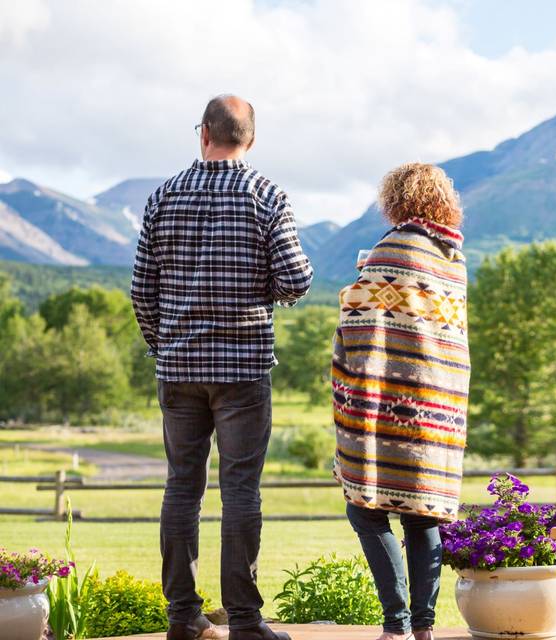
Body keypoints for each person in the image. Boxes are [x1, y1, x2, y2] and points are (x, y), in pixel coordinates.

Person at [131, 95, 313, 640]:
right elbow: (297, 282)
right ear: (250, 139)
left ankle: (183, 618)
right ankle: (245, 622)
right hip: (243, 370)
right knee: (241, 492)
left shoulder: (163, 196)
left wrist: (165, 346)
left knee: (181, 489)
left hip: (179, 368)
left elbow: (143, 291)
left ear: (204, 132)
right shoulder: (266, 195)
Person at [331, 163, 469, 640]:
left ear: (395, 199)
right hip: (437, 405)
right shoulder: (451, 257)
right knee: (422, 511)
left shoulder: (393, 247)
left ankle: (397, 624)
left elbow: (359, 317)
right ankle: (425, 628)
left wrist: (358, 281)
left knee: (365, 510)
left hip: (389, 404)